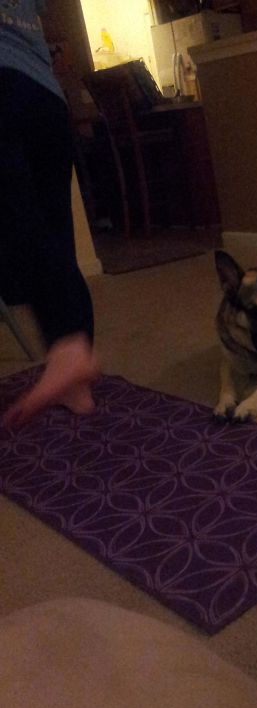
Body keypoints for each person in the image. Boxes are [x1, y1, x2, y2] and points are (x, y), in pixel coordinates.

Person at [0, 0, 100, 427]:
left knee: (19, 221)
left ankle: (66, 350)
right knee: (55, 234)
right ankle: (76, 380)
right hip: (44, 94)